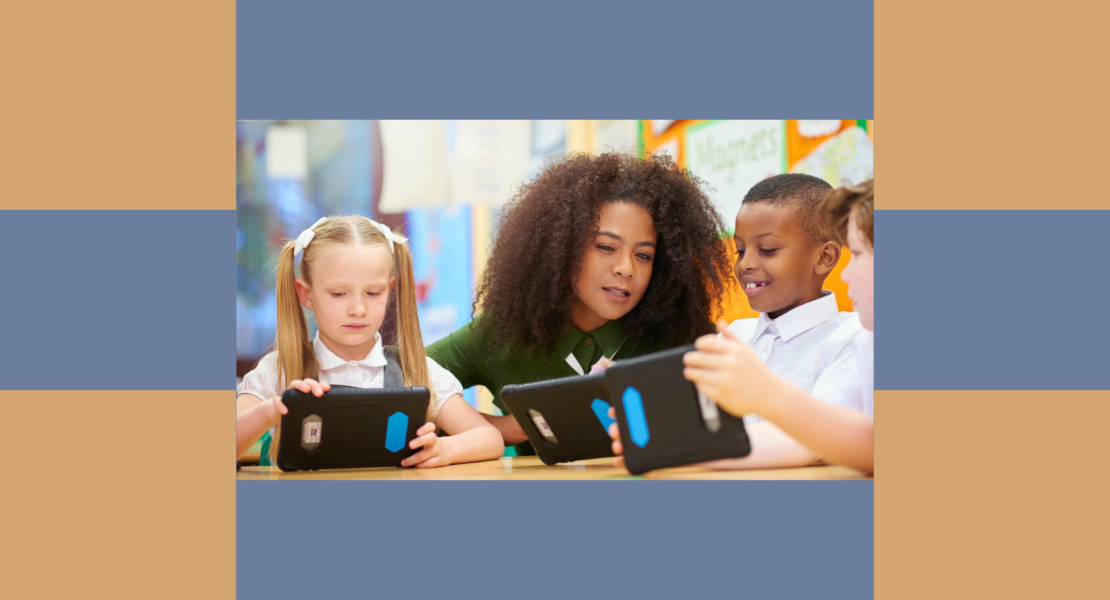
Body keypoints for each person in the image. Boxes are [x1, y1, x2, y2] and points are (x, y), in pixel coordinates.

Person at [427, 152, 734, 455]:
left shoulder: (686, 337)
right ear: (560, 247)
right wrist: (501, 428)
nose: (626, 268)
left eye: (643, 255)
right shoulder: (503, 333)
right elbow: (403, 372)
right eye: (605, 246)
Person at [609, 174, 867, 470]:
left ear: (824, 258)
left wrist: (677, 447)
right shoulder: (732, 338)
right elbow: (695, 420)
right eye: (740, 250)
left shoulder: (853, 340)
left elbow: (815, 437)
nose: (745, 264)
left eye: (768, 250)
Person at [236, 215, 502, 468]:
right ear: (306, 294)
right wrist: (271, 411)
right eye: (339, 293)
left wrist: (444, 450)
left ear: (390, 289)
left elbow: (490, 439)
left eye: (373, 293)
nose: (358, 309)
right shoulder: (277, 371)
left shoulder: (417, 370)